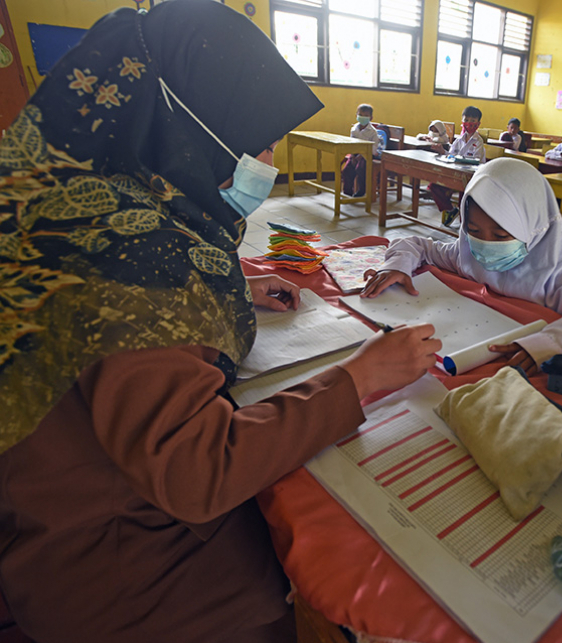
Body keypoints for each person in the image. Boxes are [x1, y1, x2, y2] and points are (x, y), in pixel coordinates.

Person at [0, 3, 439, 642]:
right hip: (125, 579)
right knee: (329, 546)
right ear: (193, 133)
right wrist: (360, 378)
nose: (267, 160)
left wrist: (232, 285)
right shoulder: (145, 265)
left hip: (51, 526)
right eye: (255, 140)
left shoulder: (75, 205)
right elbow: (197, 470)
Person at [361, 158, 562, 376]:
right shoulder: (464, 255)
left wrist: (548, 344)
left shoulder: (558, 276)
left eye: (501, 236)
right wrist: (396, 265)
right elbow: (416, 244)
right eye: (473, 229)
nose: (484, 244)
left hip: (515, 369)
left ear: (533, 227)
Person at [431, 105, 485, 227]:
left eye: (472, 121)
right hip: (455, 174)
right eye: (466, 120)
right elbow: (451, 155)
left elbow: (477, 161)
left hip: (470, 178)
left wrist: (459, 160)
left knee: (464, 195)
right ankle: (450, 210)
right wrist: (442, 151)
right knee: (434, 186)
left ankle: (464, 226)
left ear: (478, 123)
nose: (468, 123)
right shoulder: (459, 139)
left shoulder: (478, 141)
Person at [340, 103, 383, 197]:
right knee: (347, 170)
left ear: (371, 118)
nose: (363, 117)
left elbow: (373, 147)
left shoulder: (373, 132)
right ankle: (347, 192)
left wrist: (360, 156)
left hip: (367, 154)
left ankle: (362, 190)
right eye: (361, 115)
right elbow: (351, 143)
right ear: (356, 115)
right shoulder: (354, 129)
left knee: (360, 169)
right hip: (355, 153)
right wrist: (352, 156)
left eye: (366, 116)